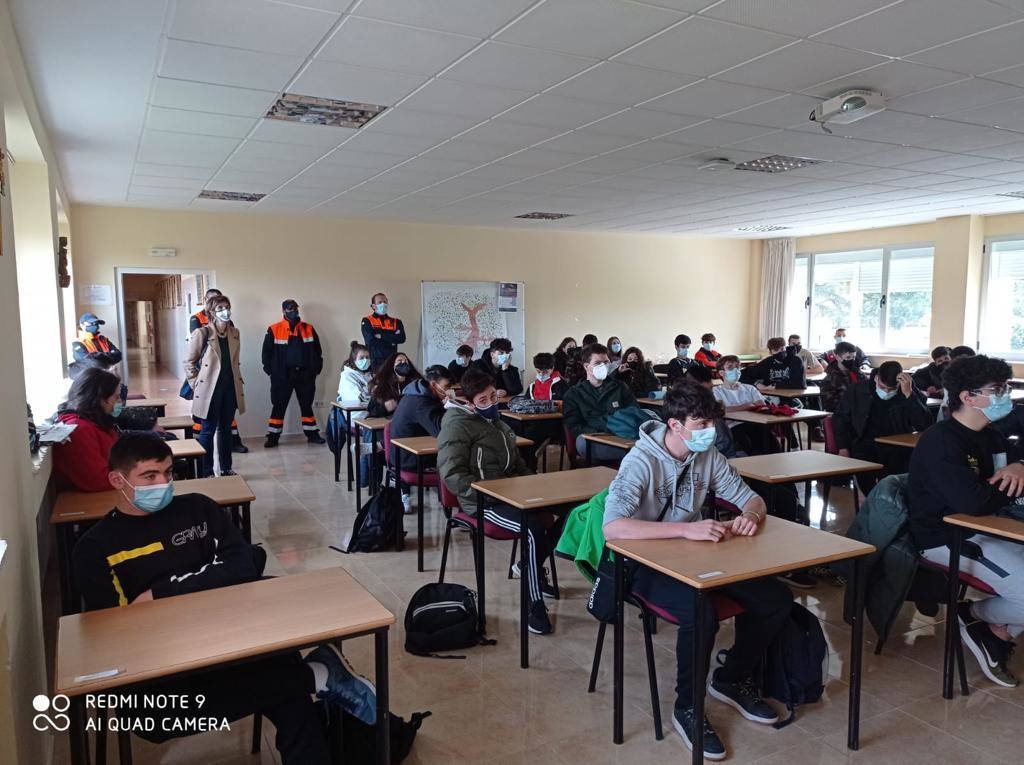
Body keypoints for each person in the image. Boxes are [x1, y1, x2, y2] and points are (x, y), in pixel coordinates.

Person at [71, 432, 377, 763]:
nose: (163, 483)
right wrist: (207, 583)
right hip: (164, 667)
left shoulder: (197, 509)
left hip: (236, 639)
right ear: (118, 479)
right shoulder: (95, 548)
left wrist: (162, 592)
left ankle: (312, 678)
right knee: (157, 720)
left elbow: (243, 563)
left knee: (289, 695)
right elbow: (115, 628)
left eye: (168, 473)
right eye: (149, 476)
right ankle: (316, 675)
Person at [603, 378, 793, 760]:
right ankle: (687, 707)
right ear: (675, 425)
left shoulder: (706, 456)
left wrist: (750, 517)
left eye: (712, 424)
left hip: (696, 557)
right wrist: (686, 529)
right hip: (642, 562)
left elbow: (750, 498)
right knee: (701, 613)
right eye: (701, 426)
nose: (711, 433)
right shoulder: (640, 461)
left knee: (775, 598)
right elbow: (614, 528)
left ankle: (731, 678)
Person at [908, 354, 1024, 688]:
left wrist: (1017, 468)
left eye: (1006, 387)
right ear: (967, 397)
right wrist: (1009, 479)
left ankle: (997, 629)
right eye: (996, 389)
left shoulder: (991, 434)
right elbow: (973, 502)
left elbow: (1005, 476)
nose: (1005, 395)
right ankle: (972, 615)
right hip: (947, 537)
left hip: (989, 527)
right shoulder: (941, 440)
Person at [437, 368, 556, 634]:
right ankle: (534, 603)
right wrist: (491, 495)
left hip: (512, 495)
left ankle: (529, 564)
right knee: (532, 529)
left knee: (572, 512)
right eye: (483, 400)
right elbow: (453, 475)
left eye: (493, 396)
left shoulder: (498, 423)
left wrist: (533, 485)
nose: (491, 403)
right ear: (468, 402)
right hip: (483, 503)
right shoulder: (457, 425)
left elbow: (516, 464)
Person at [833, 361, 933, 494]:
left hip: (897, 446)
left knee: (898, 481)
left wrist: (910, 396)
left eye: (892, 389)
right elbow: (841, 418)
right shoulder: (858, 389)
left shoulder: (908, 390)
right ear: (876, 378)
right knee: (869, 483)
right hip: (864, 444)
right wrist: (843, 447)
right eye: (882, 387)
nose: (886, 391)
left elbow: (925, 424)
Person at [185, 293, 245, 478]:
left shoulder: (235, 333)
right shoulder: (202, 333)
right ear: (211, 312)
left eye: (226, 307)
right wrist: (196, 384)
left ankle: (226, 468)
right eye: (220, 308)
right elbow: (189, 362)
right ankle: (207, 471)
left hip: (230, 389)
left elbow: (235, 362)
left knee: (226, 429)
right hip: (209, 390)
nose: (225, 312)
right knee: (207, 430)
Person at [262, 299, 325, 447]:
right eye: (290, 308)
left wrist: (315, 369)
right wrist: (271, 371)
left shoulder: (308, 328)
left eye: (295, 308)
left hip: (305, 375)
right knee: (278, 406)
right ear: (283, 311)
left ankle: (312, 435)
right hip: (282, 376)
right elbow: (266, 353)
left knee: (306, 405)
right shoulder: (274, 329)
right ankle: (273, 436)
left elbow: (317, 351)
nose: (294, 311)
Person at [562, 343, 637, 462]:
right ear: (586, 366)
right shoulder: (574, 394)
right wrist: (602, 431)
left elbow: (633, 412)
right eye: (598, 363)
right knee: (583, 444)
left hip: (623, 435)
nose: (604, 366)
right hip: (593, 439)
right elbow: (575, 427)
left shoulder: (620, 387)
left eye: (606, 362)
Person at [54, 368, 123, 492]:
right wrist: (139, 476)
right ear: (101, 399)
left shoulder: (98, 422)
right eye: (116, 397)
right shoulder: (79, 430)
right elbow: (97, 480)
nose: (120, 402)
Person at [390, 364, 452, 474]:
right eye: (446, 387)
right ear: (433, 384)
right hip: (409, 458)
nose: (448, 391)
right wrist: (451, 408)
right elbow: (440, 431)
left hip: (407, 453)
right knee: (459, 455)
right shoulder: (421, 403)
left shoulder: (420, 394)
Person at [338, 341, 375, 485]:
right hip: (357, 417)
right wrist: (374, 396)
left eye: (367, 357)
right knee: (373, 432)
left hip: (372, 414)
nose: (365, 360)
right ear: (353, 360)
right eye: (361, 358)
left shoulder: (371, 374)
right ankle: (365, 477)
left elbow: (380, 393)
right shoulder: (347, 376)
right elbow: (359, 399)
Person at [713, 355, 767, 455]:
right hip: (733, 426)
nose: (735, 370)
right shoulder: (716, 391)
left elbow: (761, 405)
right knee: (748, 446)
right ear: (721, 373)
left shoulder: (749, 388)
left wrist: (736, 408)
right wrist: (747, 406)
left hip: (756, 424)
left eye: (737, 367)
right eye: (730, 367)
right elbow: (721, 410)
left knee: (770, 443)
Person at [368, 352, 422, 418]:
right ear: (392, 365)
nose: (403, 363)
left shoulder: (415, 383)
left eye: (406, 361)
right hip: (388, 423)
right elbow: (371, 411)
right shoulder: (383, 386)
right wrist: (385, 407)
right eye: (400, 361)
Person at [740, 337, 806, 391]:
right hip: (772, 395)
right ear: (771, 352)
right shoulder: (767, 362)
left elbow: (800, 384)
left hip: (791, 395)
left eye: (782, 349)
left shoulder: (795, 361)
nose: (780, 352)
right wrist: (757, 384)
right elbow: (741, 374)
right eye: (776, 350)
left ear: (785, 348)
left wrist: (775, 386)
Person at [361, 292, 406, 371]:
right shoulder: (367, 320)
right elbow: (370, 340)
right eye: (380, 302)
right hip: (374, 363)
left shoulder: (396, 322)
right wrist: (392, 341)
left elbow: (401, 339)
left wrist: (381, 336)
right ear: (373, 306)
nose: (383, 304)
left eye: (385, 302)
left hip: (392, 361)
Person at [819, 341, 868, 412]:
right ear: (837, 357)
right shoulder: (830, 379)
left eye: (854, 357)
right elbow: (830, 406)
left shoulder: (858, 374)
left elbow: (867, 391)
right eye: (848, 357)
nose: (852, 360)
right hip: (842, 416)